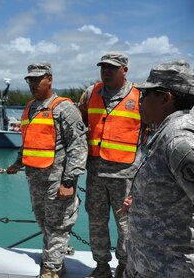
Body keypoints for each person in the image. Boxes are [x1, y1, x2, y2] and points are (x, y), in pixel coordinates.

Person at [6, 63, 88, 278]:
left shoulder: (64, 108)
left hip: (57, 180)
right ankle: (54, 261)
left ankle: (52, 269)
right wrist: (17, 164)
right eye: (29, 80)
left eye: (37, 79)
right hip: (35, 180)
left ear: (49, 79)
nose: (33, 83)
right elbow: (28, 143)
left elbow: (78, 146)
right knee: (44, 224)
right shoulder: (30, 107)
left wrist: (69, 181)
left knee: (58, 226)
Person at [123, 60, 194, 277]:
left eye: (146, 95)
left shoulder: (179, 140)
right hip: (146, 262)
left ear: (166, 98)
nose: (140, 101)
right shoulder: (164, 132)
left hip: (168, 267)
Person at [78, 52, 143, 278]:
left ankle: (125, 266)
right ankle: (102, 266)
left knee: (126, 225)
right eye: (103, 67)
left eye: (112, 68)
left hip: (125, 174)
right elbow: (80, 126)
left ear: (124, 70)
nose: (106, 71)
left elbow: (151, 137)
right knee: (96, 222)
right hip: (95, 172)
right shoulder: (90, 93)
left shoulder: (140, 96)